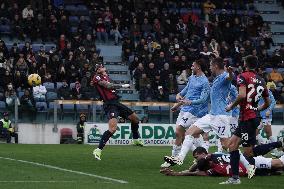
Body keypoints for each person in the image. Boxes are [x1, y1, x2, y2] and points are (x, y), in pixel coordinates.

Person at [164, 57, 235, 168]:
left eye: (211, 65)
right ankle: (179, 158)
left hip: (221, 117)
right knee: (189, 132)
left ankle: (247, 162)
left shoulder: (223, 77)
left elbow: (229, 77)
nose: (210, 67)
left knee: (226, 145)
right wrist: (179, 103)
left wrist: (230, 73)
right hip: (211, 115)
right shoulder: (215, 78)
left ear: (215, 66)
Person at [222, 55, 271, 184]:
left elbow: (242, 95)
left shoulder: (242, 76)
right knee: (231, 145)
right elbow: (267, 102)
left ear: (245, 64)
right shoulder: (261, 80)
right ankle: (235, 177)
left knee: (248, 151)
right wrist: (256, 109)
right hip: (252, 117)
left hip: (247, 118)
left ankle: (268, 167)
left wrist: (231, 106)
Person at [161, 59, 210, 168]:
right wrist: (178, 95)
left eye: (193, 66)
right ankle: (202, 157)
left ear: (198, 67)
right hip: (185, 108)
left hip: (194, 110)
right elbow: (186, 91)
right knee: (188, 135)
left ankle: (174, 159)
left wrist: (189, 102)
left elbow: (204, 99)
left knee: (180, 131)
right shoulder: (192, 78)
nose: (191, 67)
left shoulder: (205, 82)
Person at [92, 64, 143, 160]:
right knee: (113, 128)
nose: (102, 67)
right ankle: (98, 150)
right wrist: (123, 85)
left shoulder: (107, 77)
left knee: (135, 119)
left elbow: (112, 87)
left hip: (116, 102)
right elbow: (108, 86)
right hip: (109, 104)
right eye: (100, 67)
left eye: (102, 66)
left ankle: (136, 139)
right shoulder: (97, 77)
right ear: (97, 70)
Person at [161, 145, 284, 177]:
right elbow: (194, 169)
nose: (196, 160)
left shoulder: (212, 165)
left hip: (250, 162)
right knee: (277, 167)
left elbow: (193, 171)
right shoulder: (212, 156)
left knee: (278, 163)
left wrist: (178, 173)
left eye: (196, 157)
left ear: (202, 154)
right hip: (246, 164)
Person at [256, 89, 282, 157]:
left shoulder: (266, 90)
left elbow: (273, 102)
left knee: (269, 134)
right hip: (259, 115)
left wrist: (269, 110)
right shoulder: (255, 89)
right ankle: (263, 149)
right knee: (255, 134)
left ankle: (276, 151)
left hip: (266, 115)